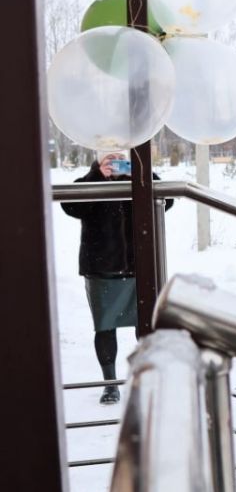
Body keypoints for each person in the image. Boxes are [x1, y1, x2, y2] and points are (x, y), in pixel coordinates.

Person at [61, 150, 173, 404]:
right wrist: (96, 175)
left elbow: (166, 201)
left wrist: (140, 172)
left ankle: (146, 379)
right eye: (111, 159)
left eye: (122, 157)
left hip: (139, 266)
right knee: (104, 327)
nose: (117, 163)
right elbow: (71, 206)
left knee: (144, 326)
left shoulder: (139, 178)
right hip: (102, 269)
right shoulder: (90, 181)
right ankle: (110, 384)